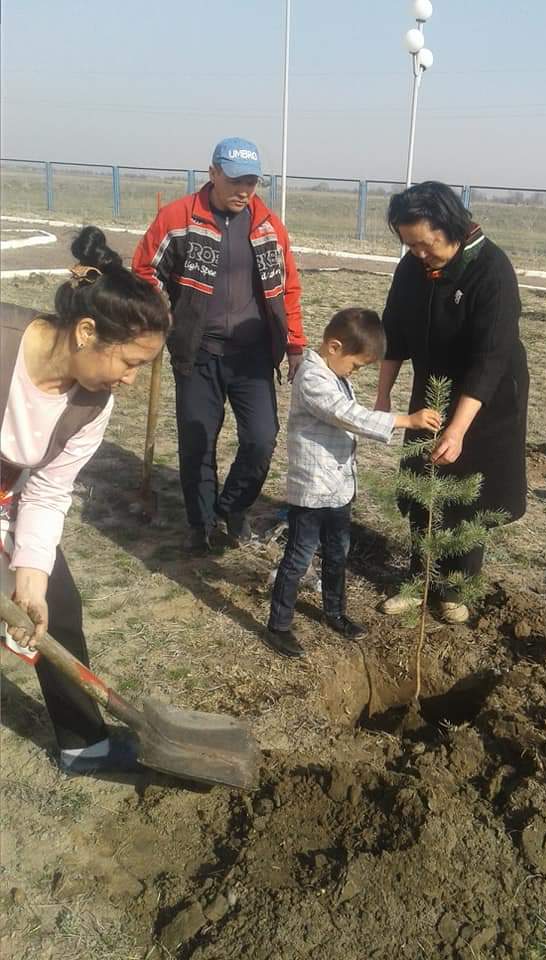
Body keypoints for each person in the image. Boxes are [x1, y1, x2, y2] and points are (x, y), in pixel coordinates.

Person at [0, 227, 170, 773]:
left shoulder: (92, 405)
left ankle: (84, 744)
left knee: (58, 602)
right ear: (87, 332)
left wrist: (29, 577)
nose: (131, 378)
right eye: (131, 362)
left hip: (8, 499)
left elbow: (48, 490)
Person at [132, 137, 306, 554]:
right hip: (198, 352)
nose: (243, 191)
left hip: (252, 357)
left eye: (250, 181)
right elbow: (145, 270)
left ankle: (232, 507)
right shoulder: (178, 218)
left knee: (261, 439)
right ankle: (202, 522)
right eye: (234, 181)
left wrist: (295, 344)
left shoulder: (268, 224)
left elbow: (289, 288)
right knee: (197, 442)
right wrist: (161, 316)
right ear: (212, 174)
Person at [375, 181, 529, 624]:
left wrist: (458, 429)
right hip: (432, 384)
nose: (418, 254)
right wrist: (385, 395)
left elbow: (490, 358)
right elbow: (394, 332)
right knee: (422, 479)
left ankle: (455, 588)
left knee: (467, 491)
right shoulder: (412, 269)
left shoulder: (492, 270)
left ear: (450, 226)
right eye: (410, 245)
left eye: (425, 244)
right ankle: (418, 580)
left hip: (486, 396)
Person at [265, 308, 441, 658]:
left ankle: (335, 612)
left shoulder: (335, 374)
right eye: (356, 366)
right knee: (299, 557)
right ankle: (279, 625)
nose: (355, 372)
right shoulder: (312, 378)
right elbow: (346, 414)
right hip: (313, 491)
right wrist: (406, 419)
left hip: (339, 489)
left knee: (337, 552)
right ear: (334, 346)